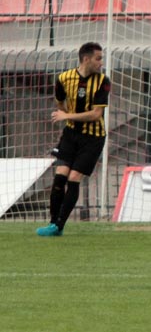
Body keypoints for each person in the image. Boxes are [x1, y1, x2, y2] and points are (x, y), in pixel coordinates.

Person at [36, 42, 111, 237]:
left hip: (93, 138)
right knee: (59, 177)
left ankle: (59, 226)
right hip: (71, 135)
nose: (101, 63)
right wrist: (64, 113)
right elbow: (59, 101)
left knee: (74, 178)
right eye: (98, 58)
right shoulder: (64, 78)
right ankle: (53, 223)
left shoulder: (103, 81)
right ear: (86, 59)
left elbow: (96, 114)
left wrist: (67, 116)